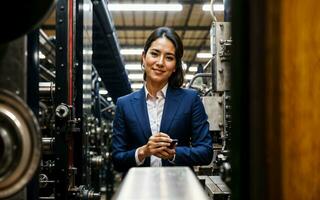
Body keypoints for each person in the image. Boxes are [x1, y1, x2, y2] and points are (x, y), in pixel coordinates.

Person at [112, 27, 213, 174]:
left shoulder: (190, 100)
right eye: (154, 54)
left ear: (175, 67)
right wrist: (143, 152)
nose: (160, 62)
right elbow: (117, 159)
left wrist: (174, 153)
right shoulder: (124, 104)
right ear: (143, 57)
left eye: (169, 57)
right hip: (139, 190)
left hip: (179, 188)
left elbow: (205, 152)